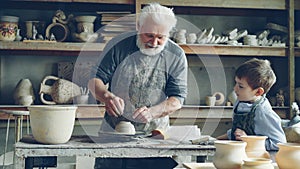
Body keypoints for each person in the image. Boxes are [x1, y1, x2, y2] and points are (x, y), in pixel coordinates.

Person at [88, 3, 188, 169]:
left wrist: (153, 112)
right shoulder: (118, 45)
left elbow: (177, 98)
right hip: (115, 133)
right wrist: (106, 96)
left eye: (161, 37)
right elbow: (95, 80)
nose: (154, 42)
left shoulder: (176, 55)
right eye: (149, 35)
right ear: (138, 26)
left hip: (155, 137)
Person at [217, 58, 286, 150]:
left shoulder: (263, 112)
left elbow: (279, 143)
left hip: (258, 158)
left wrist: (248, 140)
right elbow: (237, 131)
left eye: (241, 86)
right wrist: (215, 140)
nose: (235, 88)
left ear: (258, 92)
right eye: (236, 83)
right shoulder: (240, 101)